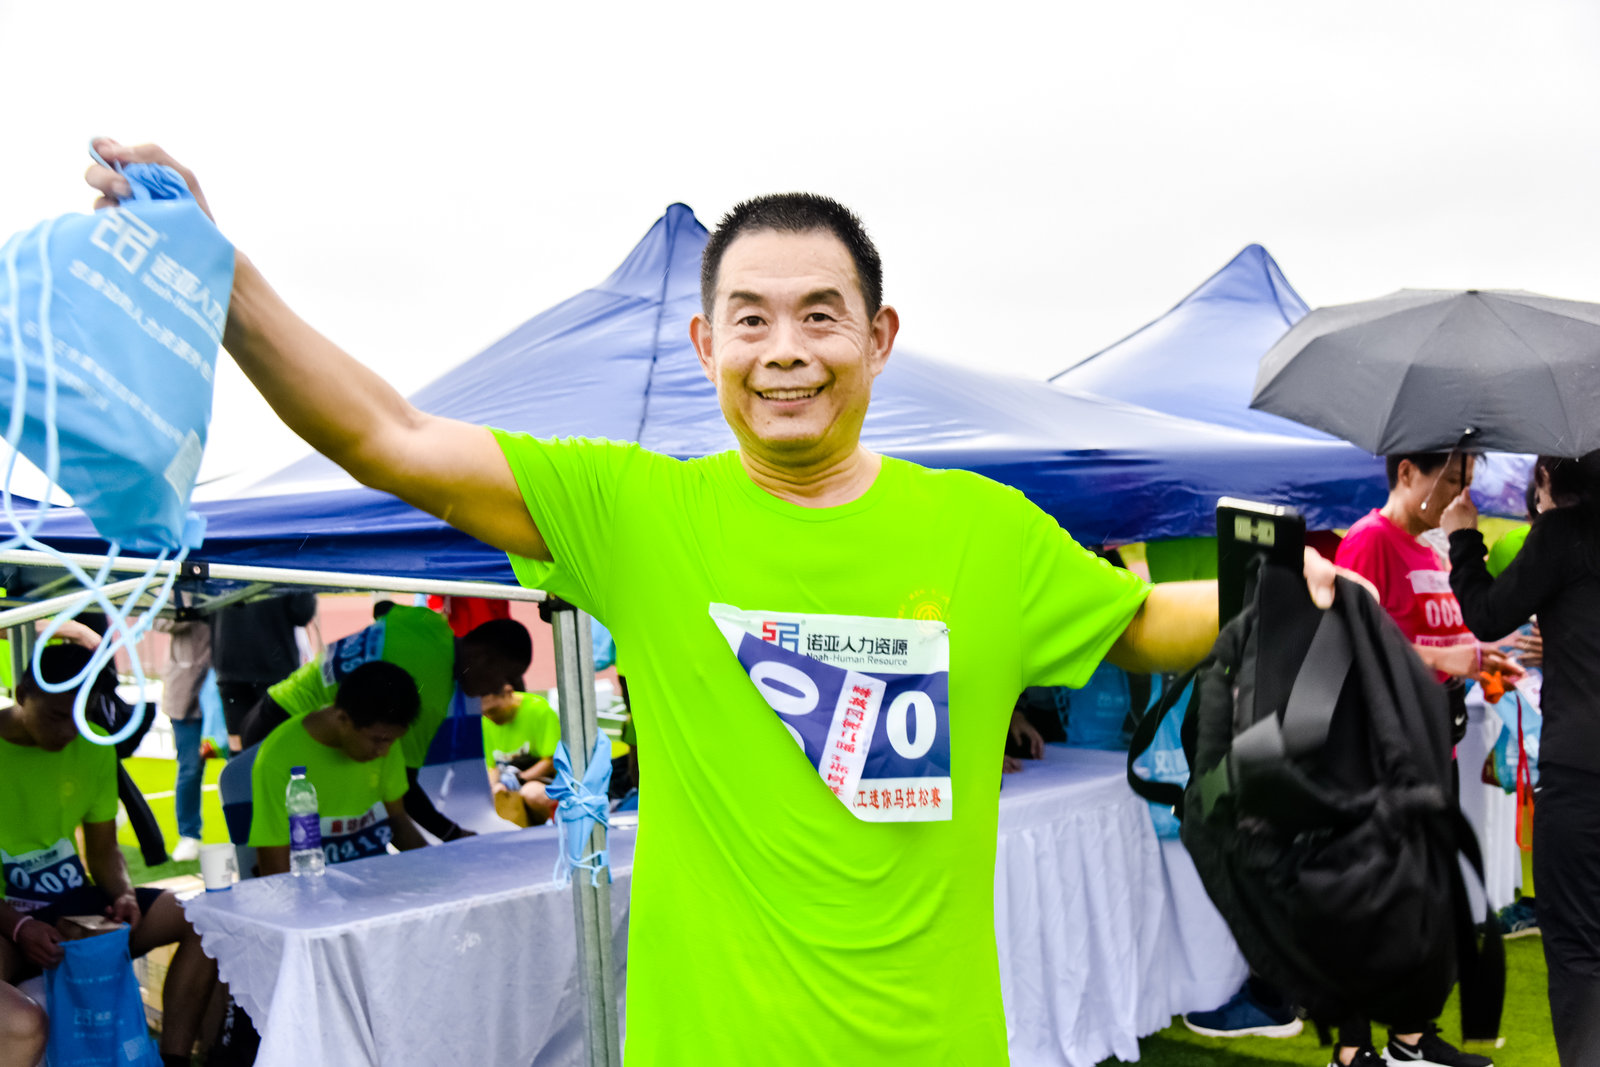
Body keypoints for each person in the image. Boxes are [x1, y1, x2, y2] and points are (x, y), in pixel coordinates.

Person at [85, 143, 1349, 1064]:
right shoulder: (634, 511)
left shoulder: (981, 526)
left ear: (878, 338)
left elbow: (1140, 626)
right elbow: (386, 434)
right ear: (706, 346)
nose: (784, 347)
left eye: (819, 315)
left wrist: (1280, 587)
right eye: (750, 318)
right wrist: (224, 277)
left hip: (936, 1039)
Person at [1331, 452, 1518, 1067]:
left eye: (1468, 484)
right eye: (1452, 481)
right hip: (1379, 750)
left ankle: (1410, 1038)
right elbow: (1350, 647)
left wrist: (1481, 657)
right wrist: (1444, 660)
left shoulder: (1428, 549)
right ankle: (1352, 1049)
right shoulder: (1369, 542)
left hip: (1433, 739)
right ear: (1408, 471)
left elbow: (1435, 635)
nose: (1461, 497)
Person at [1443, 451, 1600, 1066]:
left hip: (1582, 772)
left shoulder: (1563, 534)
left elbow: (1486, 615)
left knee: (1579, 949)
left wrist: (1463, 539)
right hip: (1579, 762)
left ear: (1549, 477)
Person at [0, 644, 217, 1067]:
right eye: (57, 716)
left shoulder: (95, 745)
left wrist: (124, 895)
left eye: (82, 717)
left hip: (72, 904)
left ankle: (172, 1059)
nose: (70, 731)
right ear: (23, 694)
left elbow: (103, 850)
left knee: (204, 920)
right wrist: (20, 926)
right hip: (6, 916)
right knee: (14, 1014)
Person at [240, 604, 532, 843]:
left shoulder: (428, 621)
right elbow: (404, 790)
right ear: (483, 657)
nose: (500, 688)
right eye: (505, 676)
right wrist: (452, 834)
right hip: (284, 735)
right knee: (294, 846)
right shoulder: (428, 694)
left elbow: (384, 607)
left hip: (270, 705)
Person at [249, 660, 430, 874]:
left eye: (392, 741)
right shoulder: (279, 758)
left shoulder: (383, 738)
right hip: (314, 885)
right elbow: (275, 871)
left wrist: (434, 867)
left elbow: (397, 820)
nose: (384, 752)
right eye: (378, 740)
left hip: (376, 880)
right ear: (343, 719)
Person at [210, 592, 319, 754]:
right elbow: (302, 613)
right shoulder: (288, 572)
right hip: (273, 668)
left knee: (239, 750)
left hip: (228, 659)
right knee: (278, 749)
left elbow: (201, 607)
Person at [158, 617, 210, 861]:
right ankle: (189, 834)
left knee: (240, 763)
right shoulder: (174, 594)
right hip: (186, 695)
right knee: (190, 768)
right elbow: (159, 621)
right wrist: (191, 606)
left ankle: (243, 832)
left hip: (230, 687)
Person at [481, 683, 562, 826]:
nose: (489, 717)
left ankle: (558, 824)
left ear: (508, 693)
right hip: (509, 781)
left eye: (493, 711)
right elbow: (491, 766)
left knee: (531, 793)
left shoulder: (539, 709)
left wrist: (516, 780)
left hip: (543, 781)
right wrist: (495, 788)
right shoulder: (486, 721)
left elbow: (549, 762)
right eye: (484, 713)